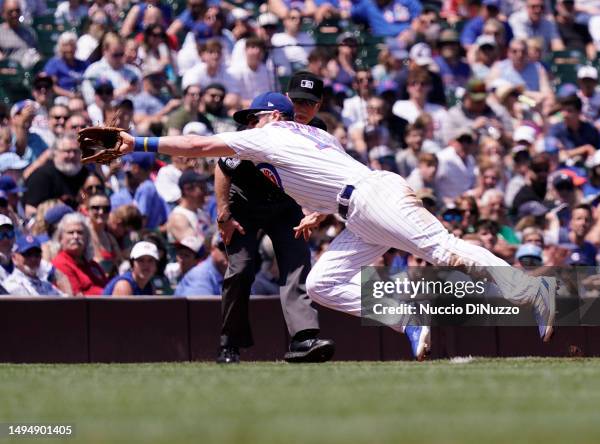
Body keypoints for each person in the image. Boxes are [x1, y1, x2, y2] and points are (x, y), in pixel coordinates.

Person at [112, 91, 560, 357]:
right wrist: (322, 210)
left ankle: (530, 289)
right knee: (324, 284)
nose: (247, 125)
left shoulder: (269, 134)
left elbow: (199, 143)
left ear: (269, 116)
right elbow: (330, 176)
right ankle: (409, 320)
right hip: (359, 209)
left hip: (371, 199)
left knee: (443, 249)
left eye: (252, 117)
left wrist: (138, 142)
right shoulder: (312, 134)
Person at [213, 74, 334, 364]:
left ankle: (304, 338)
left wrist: (316, 209)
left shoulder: (317, 131)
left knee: (297, 263)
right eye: (297, 102)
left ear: (319, 106)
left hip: (285, 205)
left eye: (310, 103)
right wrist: (223, 215)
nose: (303, 109)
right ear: (285, 104)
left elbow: (328, 174)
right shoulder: (255, 129)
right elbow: (222, 168)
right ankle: (229, 342)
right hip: (243, 204)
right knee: (241, 268)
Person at [51, 212, 108, 295]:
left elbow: (107, 287)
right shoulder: (60, 264)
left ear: (87, 238)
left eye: (80, 232)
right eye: (70, 232)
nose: (76, 236)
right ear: (60, 238)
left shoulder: (93, 265)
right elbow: (76, 296)